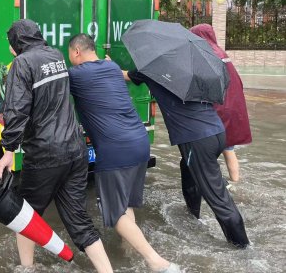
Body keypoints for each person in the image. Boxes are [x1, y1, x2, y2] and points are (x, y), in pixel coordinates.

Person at [0, 20, 113, 273]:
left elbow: (16, 111)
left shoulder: (22, 64)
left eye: (10, 42)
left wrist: (8, 151)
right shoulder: (56, 55)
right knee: (79, 219)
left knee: (25, 216)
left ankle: (27, 268)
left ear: (17, 42)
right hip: (75, 150)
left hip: (45, 154)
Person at [68, 34, 180, 273]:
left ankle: (155, 261)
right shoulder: (111, 67)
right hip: (139, 143)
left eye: (70, 55)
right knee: (125, 202)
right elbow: (113, 73)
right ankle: (128, 251)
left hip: (114, 149)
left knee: (113, 211)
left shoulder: (76, 75)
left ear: (77, 52)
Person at [123, 65, 250, 248]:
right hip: (216, 131)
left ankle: (243, 247)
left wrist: (108, 63)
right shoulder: (192, 72)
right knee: (188, 168)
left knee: (217, 197)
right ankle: (193, 214)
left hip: (197, 138)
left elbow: (125, 75)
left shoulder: (152, 69)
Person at [190, 24, 252, 184]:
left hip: (217, 110)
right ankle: (235, 183)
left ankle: (210, 186)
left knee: (209, 151)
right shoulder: (222, 53)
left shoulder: (204, 55)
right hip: (233, 105)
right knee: (228, 149)